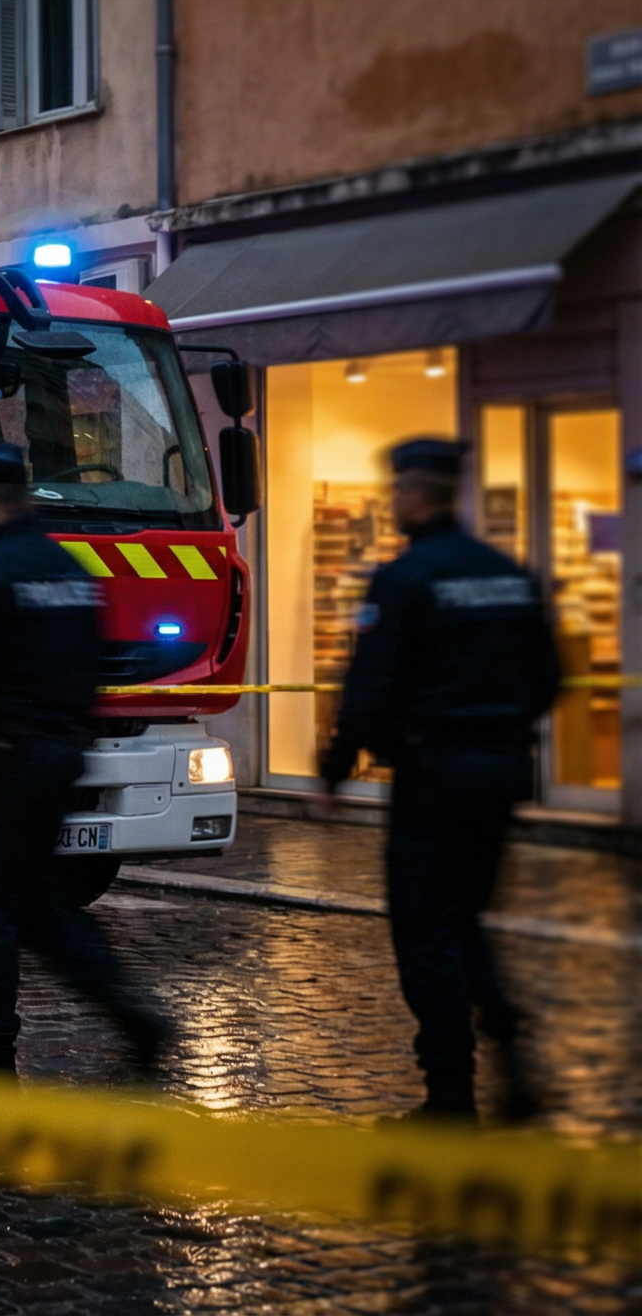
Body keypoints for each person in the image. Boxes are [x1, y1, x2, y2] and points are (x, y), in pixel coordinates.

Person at [316, 437, 560, 1122]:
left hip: (434, 775)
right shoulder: (508, 572)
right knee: (465, 917)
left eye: (397, 493)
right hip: (502, 768)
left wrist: (336, 766)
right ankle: (512, 1047)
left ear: (415, 496)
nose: (393, 504)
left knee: (426, 930)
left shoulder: (404, 579)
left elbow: (368, 690)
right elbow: (550, 679)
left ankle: (449, 1096)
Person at [0, 442, 170, 1079]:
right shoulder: (72, 571)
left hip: (9, 764)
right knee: (41, 906)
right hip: (62, 757)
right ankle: (132, 1014)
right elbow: (95, 667)